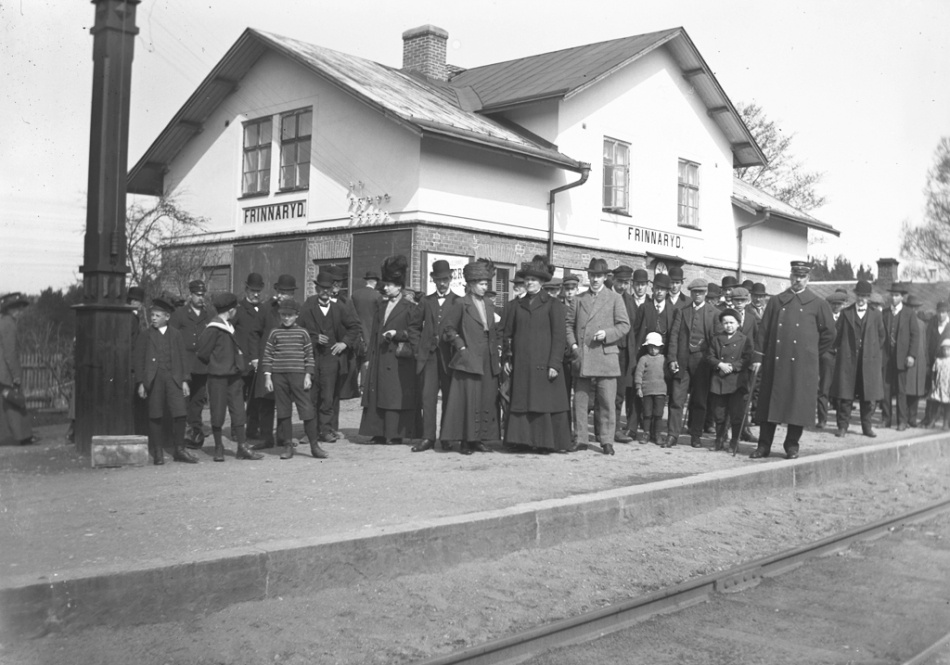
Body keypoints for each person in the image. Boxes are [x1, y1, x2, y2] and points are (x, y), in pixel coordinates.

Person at [750, 260, 836, 460]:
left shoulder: (818, 304)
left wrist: (811, 352)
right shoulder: (777, 301)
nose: (798, 280)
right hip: (776, 362)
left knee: (797, 405)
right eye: (795, 276)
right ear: (790, 277)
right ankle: (763, 446)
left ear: (808, 279)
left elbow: (830, 334)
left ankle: (792, 446)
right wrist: (758, 357)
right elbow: (763, 332)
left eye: (802, 277)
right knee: (769, 405)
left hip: (802, 366)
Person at [503, 255, 571, 454]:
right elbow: (508, 335)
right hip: (522, 364)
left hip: (544, 364)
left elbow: (559, 337)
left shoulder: (553, 305)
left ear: (541, 282)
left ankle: (544, 442)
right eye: (527, 280)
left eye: (533, 280)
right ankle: (521, 440)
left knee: (543, 403)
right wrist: (507, 357)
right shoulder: (516, 305)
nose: (529, 283)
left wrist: (554, 364)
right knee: (523, 402)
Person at [565, 258, 631, 455]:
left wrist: (607, 335)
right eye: (592, 275)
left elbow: (624, 325)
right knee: (580, 400)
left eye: (599, 276)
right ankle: (581, 438)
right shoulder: (579, 299)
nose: (595, 279)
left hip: (605, 355)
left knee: (607, 402)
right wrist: (574, 345)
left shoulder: (614, 298)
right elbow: (567, 325)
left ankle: (607, 440)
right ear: (588, 276)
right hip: (583, 356)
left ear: (605, 277)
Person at [359, 255, 423, 445]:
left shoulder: (410, 307)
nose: (385, 288)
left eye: (389, 285)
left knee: (394, 396)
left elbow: (414, 332)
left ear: (399, 286)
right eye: (385, 284)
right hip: (380, 356)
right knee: (377, 394)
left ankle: (394, 434)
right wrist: (369, 357)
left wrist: (398, 334)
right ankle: (378, 432)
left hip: (398, 359)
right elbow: (374, 332)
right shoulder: (381, 305)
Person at [441, 258, 502, 455]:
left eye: (486, 284)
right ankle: (466, 441)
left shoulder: (488, 304)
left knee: (485, 399)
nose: (485, 288)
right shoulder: (461, 303)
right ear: (471, 284)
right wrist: (461, 348)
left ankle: (480, 440)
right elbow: (448, 329)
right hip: (468, 358)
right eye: (482, 284)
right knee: (469, 400)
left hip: (488, 357)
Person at [195, 292, 264, 462]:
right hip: (217, 377)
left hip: (234, 376)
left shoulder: (228, 325)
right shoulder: (213, 328)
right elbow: (203, 352)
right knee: (217, 412)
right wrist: (217, 363)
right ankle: (219, 447)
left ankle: (242, 447)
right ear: (231, 310)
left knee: (238, 411)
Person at [299, 270, 362, 444]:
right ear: (316, 288)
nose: (325, 292)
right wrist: (313, 338)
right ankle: (310, 432)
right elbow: (298, 328)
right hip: (312, 357)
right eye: (322, 288)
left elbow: (355, 326)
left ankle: (326, 430)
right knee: (311, 396)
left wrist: (344, 343)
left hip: (331, 358)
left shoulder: (338, 307)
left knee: (327, 396)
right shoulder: (308, 305)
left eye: (328, 288)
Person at [261, 299, 328, 460]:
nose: (286, 318)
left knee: (306, 409)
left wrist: (308, 375)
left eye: (290, 315)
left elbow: (309, 356)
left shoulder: (303, 333)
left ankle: (314, 446)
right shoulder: (274, 332)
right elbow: (268, 355)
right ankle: (288, 446)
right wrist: (268, 376)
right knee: (283, 411)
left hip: (299, 375)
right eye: (283, 315)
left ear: (296, 316)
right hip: (279, 376)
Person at [132, 294, 196, 464]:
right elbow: (138, 360)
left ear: (167, 317)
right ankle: (158, 451)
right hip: (154, 380)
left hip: (173, 378)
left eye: (157, 316)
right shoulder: (146, 335)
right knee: (155, 414)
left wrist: (184, 380)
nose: (153, 318)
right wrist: (141, 383)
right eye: (152, 315)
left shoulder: (175, 335)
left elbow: (183, 358)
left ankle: (180, 449)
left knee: (180, 413)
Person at [413, 260, 461, 452]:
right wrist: (419, 348)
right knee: (428, 398)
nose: (442, 283)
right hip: (429, 358)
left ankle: (447, 437)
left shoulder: (458, 301)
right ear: (433, 280)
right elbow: (414, 327)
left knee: (450, 398)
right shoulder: (426, 301)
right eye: (439, 279)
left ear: (451, 279)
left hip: (449, 358)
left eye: (446, 279)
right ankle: (428, 437)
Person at [666, 279, 719, 448]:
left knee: (700, 400)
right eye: (695, 292)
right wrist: (672, 358)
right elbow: (674, 336)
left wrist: (712, 360)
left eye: (701, 292)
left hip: (702, 361)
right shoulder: (682, 311)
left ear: (705, 294)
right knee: (676, 398)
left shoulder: (714, 313)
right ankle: (672, 435)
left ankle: (696, 435)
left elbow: (716, 340)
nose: (698, 295)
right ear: (691, 293)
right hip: (682, 359)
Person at [829, 280, 885, 438]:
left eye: (865, 296)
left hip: (868, 363)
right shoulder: (846, 313)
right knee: (845, 397)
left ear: (869, 297)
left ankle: (867, 427)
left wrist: (871, 351)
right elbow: (837, 335)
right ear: (855, 295)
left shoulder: (876, 315)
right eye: (859, 295)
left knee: (867, 398)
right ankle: (842, 427)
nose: (861, 298)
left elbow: (882, 337)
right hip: (848, 361)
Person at [251, 274, 298, 450]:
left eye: (288, 292)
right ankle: (266, 438)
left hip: (287, 362)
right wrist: (255, 357)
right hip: (268, 361)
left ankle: (283, 437)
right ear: (276, 291)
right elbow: (254, 333)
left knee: (284, 401)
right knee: (266, 401)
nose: (284, 295)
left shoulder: (295, 310)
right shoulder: (265, 309)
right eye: (281, 292)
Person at [169, 279, 213, 449]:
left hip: (202, 364)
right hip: (185, 364)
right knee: (183, 400)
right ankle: (180, 434)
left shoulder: (209, 314)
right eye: (198, 295)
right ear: (190, 295)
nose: (201, 298)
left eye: (203, 295)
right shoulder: (180, 314)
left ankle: (195, 434)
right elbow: (172, 338)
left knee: (198, 400)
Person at [706, 308, 753, 452]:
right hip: (719, 380)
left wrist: (732, 367)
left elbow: (747, 358)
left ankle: (734, 442)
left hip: (736, 381)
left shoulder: (744, 340)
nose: (728, 326)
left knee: (736, 414)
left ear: (738, 324)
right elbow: (709, 356)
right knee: (719, 414)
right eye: (725, 323)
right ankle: (719, 439)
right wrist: (719, 364)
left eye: (732, 322)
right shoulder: (716, 339)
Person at [880, 283, 919, 430]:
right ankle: (886, 419)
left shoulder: (909, 314)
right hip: (886, 357)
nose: (894, 298)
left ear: (902, 297)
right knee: (886, 390)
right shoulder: (884, 313)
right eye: (892, 295)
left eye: (897, 295)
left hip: (902, 358)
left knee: (901, 391)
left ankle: (902, 421)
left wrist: (912, 355)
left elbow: (915, 336)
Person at [233, 273, 266, 439]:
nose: (256, 294)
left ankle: (253, 429)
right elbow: (229, 333)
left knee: (255, 399)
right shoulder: (238, 310)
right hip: (241, 362)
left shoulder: (264, 309)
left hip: (257, 363)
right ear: (246, 289)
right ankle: (236, 430)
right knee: (237, 399)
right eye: (253, 290)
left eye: (258, 291)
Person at [0, 293, 33, 445]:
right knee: (15, 401)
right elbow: (10, 352)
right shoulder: (9, 324)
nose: (20, 311)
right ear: (10, 309)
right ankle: (23, 436)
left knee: (7, 405)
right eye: (17, 308)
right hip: (5, 371)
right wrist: (16, 375)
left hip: (3, 371)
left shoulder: (4, 322)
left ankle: (19, 436)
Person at [817, 291, 848, 428]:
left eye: (839, 304)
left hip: (842, 357)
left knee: (841, 389)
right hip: (827, 356)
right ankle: (822, 419)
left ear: (844, 305)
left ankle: (840, 422)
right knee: (824, 388)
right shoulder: (824, 318)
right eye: (834, 304)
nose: (836, 307)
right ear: (829, 305)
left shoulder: (847, 317)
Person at [351, 270, 382, 396]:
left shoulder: (355, 294)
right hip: (370, 330)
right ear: (375, 282)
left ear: (366, 281)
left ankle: (352, 387)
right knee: (367, 359)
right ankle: (364, 386)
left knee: (355, 359)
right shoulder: (377, 296)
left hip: (356, 331)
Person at [634, 332, 667, 444]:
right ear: (647, 347)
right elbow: (638, 373)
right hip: (647, 391)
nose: (653, 350)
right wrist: (638, 387)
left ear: (660, 347)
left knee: (658, 414)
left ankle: (657, 434)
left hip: (660, 391)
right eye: (651, 347)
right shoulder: (643, 359)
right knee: (647, 414)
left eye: (656, 347)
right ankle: (646, 433)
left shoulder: (664, 359)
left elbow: (668, 375)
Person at [922, 301, 950, 427]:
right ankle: (929, 418)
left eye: (943, 312)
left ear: (947, 313)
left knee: (946, 393)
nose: (941, 315)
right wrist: (928, 363)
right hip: (934, 364)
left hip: (947, 365)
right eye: (939, 312)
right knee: (931, 391)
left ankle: (945, 420)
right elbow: (926, 343)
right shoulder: (932, 324)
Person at [127, 286, 149, 437]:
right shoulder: (132, 318)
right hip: (132, 363)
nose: (136, 303)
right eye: (135, 300)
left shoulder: (134, 317)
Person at [903, 294, 928, 427]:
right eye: (911, 307)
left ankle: (912, 418)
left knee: (917, 392)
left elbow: (924, 344)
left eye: (916, 308)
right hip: (909, 360)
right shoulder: (904, 322)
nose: (914, 310)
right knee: (907, 391)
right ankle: (904, 418)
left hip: (920, 362)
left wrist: (926, 362)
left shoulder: (922, 324)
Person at [930, 339, 950, 429]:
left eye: (948, 349)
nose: (946, 352)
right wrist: (933, 383)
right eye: (944, 349)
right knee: (935, 404)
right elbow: (933, 373)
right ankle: (932, 421)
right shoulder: (938, 361)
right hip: (939, 386)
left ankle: (945, 423)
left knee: (947, 406)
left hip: (948, 387)